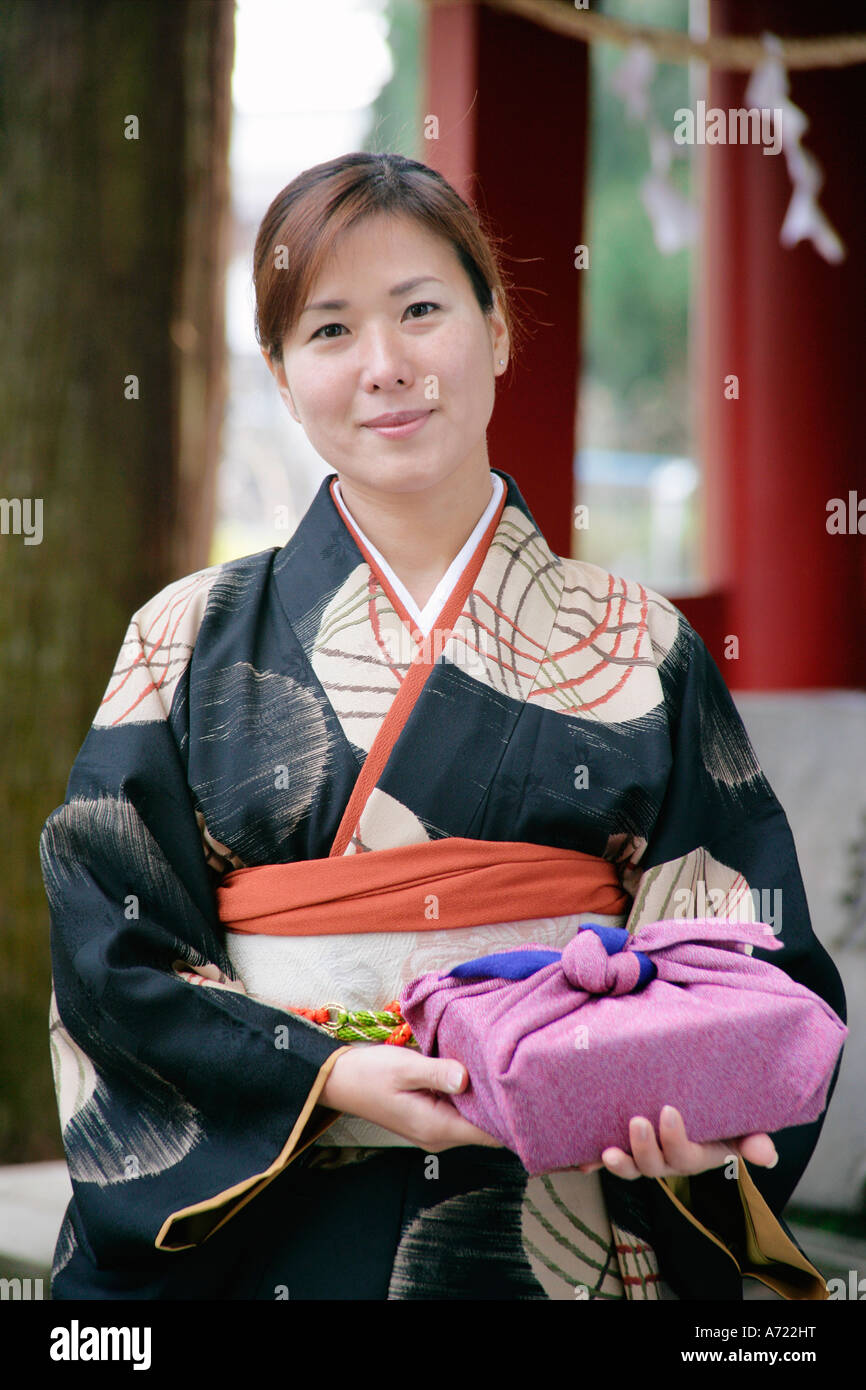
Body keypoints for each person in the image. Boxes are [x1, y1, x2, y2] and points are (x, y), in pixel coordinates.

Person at [40, 151, 846, 1301]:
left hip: (564, 1215)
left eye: (420, 309)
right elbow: (109, 951)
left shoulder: (636, 642)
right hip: (268, 1236)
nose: (384, 366)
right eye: (328, 332)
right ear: (278, 372)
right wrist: (328, 1074)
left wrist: (702, 1108)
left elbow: (746, 950)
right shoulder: (184, 635)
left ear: (497, 327)